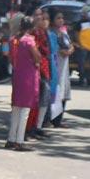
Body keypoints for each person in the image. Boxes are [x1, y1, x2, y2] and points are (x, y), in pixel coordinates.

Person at [7, 17, 40, 152]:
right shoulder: (29, 40)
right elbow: (37, 57)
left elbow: (10, 58)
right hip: (29, 76)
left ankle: (11, 138)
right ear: (31, 27)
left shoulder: (13, 40)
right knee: (25, 110)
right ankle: (20, 141)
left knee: (16, 108)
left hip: (17, 75)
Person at [26, 8, 53, 140]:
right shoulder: (30, 33)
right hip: (34, 69)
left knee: (43, 100)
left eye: (41, 16)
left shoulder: (43, 32)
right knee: (33, 101)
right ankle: (29, 128)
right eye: (36, 15)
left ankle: (37, 126)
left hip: (45, 68)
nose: (39, 18)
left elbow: (47, 51)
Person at [49, 9, 74, 127]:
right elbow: (57, 50)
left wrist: (69, 50)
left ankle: (59, 120)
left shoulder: (63, 33)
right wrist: (65, 51)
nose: (61, 20)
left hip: (65, 66)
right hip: (56, 64)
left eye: (62, 18)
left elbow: (71, 46)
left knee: (63, 92)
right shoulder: (51, 33)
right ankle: (51, 119)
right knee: (56, 91)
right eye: (58, 18)